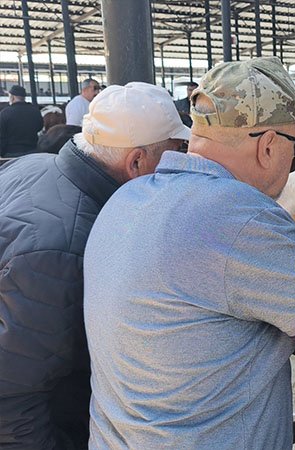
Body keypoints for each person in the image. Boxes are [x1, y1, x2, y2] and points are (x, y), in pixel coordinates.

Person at [83, 56, 295, 449]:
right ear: (269, 145)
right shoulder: (242, 215)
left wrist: (288, 261)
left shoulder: (129, 197)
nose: (294, 161)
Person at [0, 82, 189, 450]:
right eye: (174, 152)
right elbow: (11, 396)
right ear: (136, 162)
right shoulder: (66, 246)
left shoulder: (33, 165)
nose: (179, 163)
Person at [0, 85, 43, 157]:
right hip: (32, 153)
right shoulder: (35, 111)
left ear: (12, 97)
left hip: (11, 154)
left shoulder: (4, 113)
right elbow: (40, 127)